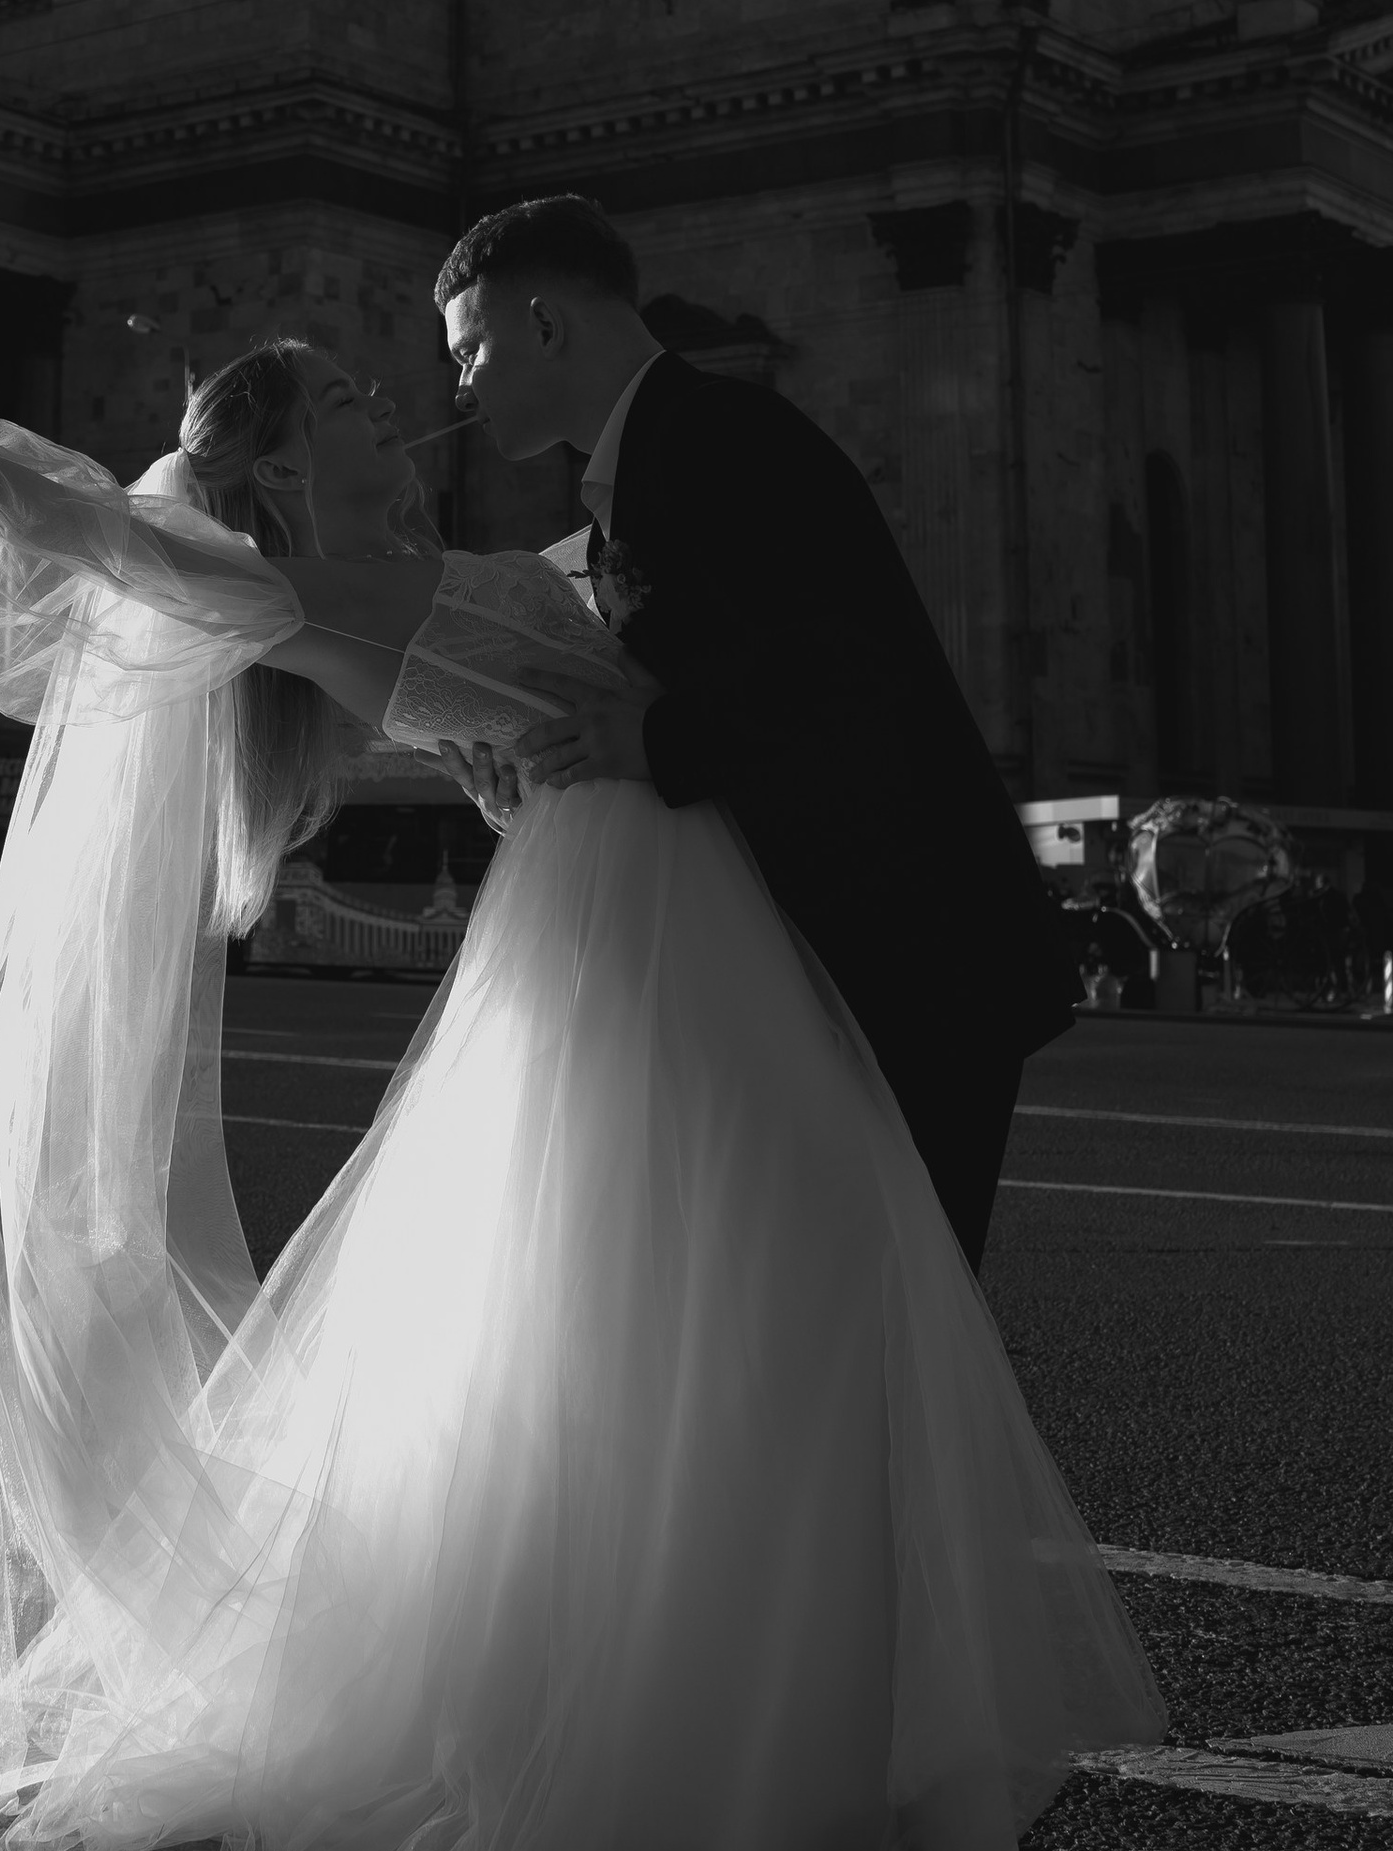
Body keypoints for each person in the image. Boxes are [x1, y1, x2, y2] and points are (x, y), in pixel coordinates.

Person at [0, 315, 1160, 1851]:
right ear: (278, 465)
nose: (393, 411)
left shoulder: (413, 580)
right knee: (717, 1329)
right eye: (349, 401)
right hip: (638, 946)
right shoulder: (301, 594)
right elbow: (89, 526)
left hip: (658, 927)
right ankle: (716, 1777)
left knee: (725, 1334)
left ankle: (761, 1755)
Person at [436, 196, 1072, 1265]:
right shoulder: (641, 477)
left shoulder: (722, 440)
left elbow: (851, 678)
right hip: (848, 963)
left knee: (890, 1333)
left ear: (545, 324)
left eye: (470, 347)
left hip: (913, 968)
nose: (458, 386)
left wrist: (657, 745)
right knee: (850, 1337)